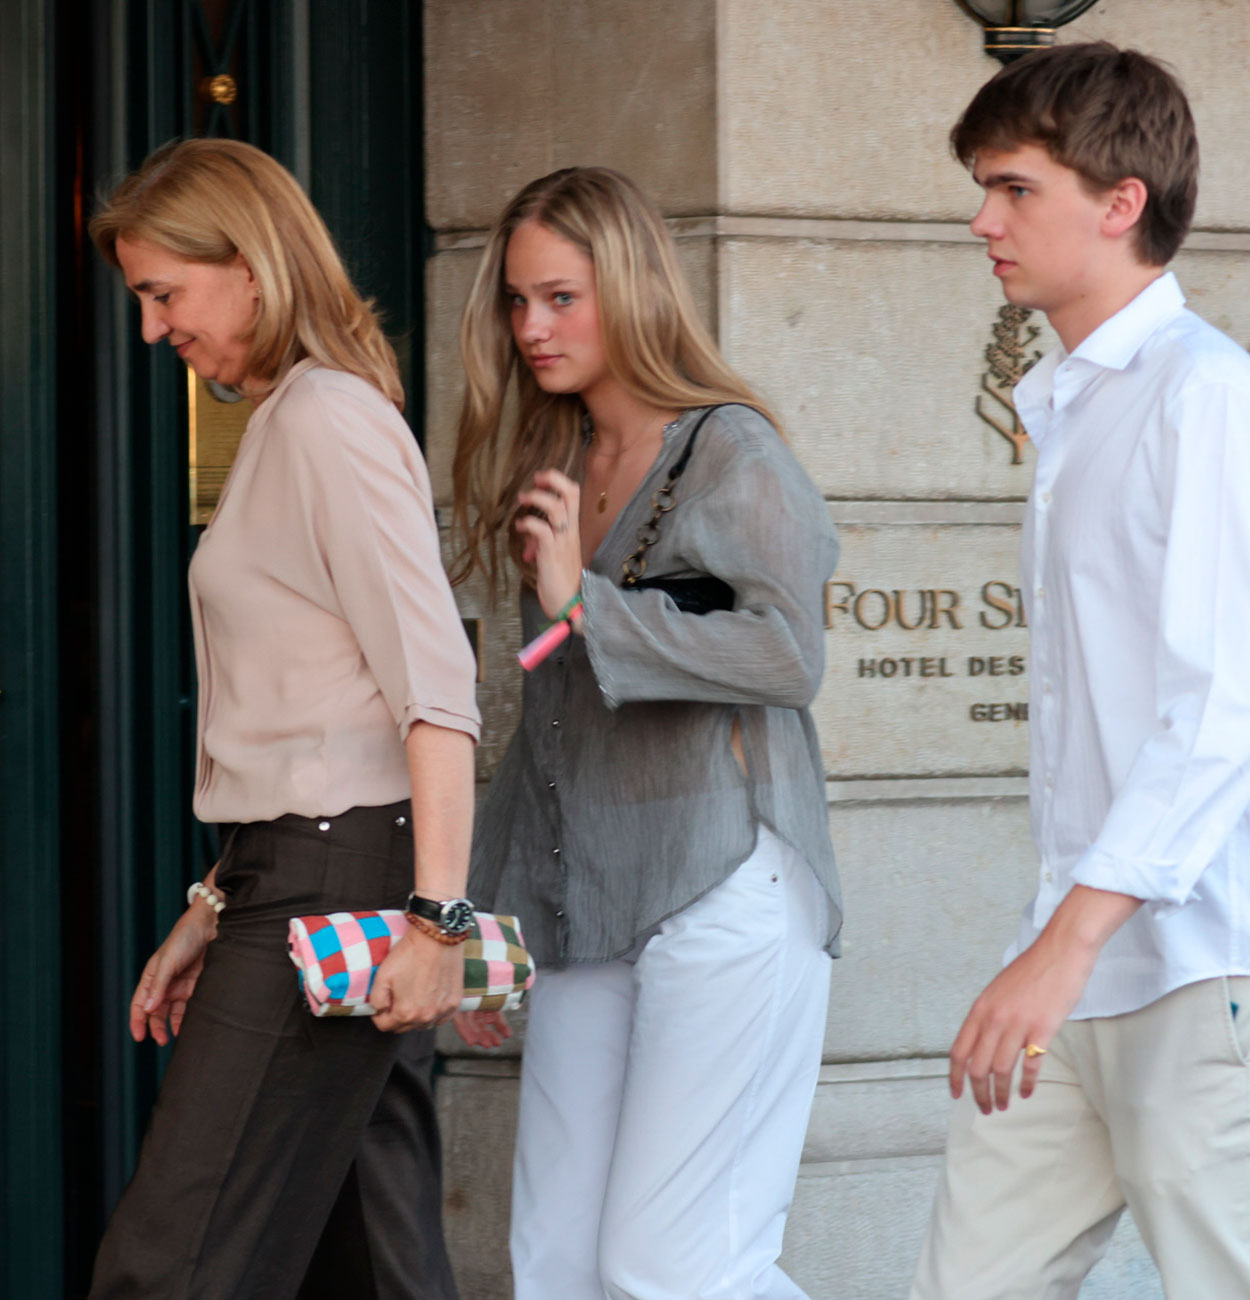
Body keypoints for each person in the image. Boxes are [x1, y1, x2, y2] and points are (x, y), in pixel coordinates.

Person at [909, 44, 1250, 1300]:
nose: (982, 219)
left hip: (1216, 970)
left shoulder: (1206, 401)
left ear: (1121, 203)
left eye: (1014, 189)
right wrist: (1060, 948)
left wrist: (1062, 944)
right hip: (1087, 966)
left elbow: (1229, 709)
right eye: (983, 188)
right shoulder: (1075, 404)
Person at [84, 138, 481, 1300]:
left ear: (251, 266)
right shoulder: (293, 421)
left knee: (173, 1260)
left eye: (166, 292)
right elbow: (310, 709)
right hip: (304, 874)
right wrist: (214, 901)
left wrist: (439, 924)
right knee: (370, 1257)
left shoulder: (326, 422)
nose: (154, 329)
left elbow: (435, 687)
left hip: (343, 881)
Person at [446, 166, 842, 1300]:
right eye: (518, 301)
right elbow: (548, 719)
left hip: (725, 884)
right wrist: (482, 920)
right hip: (588, 903)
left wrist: (586, 601)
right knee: (558, 1266)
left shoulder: (733, 451)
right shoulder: (557, 465)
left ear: (628, 288)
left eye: (561, 297)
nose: (531, 327)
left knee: (671, 1264)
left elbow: (788, 655)